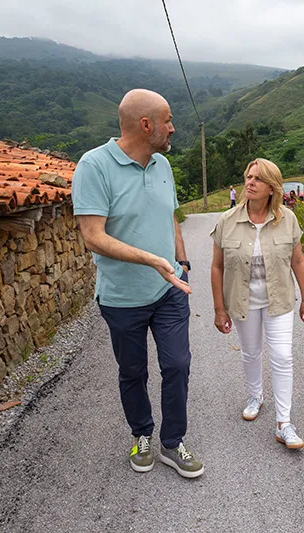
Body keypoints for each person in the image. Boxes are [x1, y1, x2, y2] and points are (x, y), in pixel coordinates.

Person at [72, 89, 204, 478]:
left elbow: (171, 217)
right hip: (121, 297)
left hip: (169, 289)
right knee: (133, 371)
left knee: (178, 364)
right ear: (146, 125)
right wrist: (151, 260)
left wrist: (180, 261)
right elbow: (93, 235)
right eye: (167, 119)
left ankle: (172, 441)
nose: (172, 127)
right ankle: (141, 434)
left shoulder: (162, 165)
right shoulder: (93, 166)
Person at [210, 158, 304, 449]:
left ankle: (284, 423)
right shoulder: (227, 221)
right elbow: (217, 267)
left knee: (282, 356)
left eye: (258, 179)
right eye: (248, 177)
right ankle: (255, 395)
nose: (250, 182)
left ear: (272, 188)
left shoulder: (287, 219)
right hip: (242, 302)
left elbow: (298, 260)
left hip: (278, 301)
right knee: (251, 352)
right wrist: (219, 308)